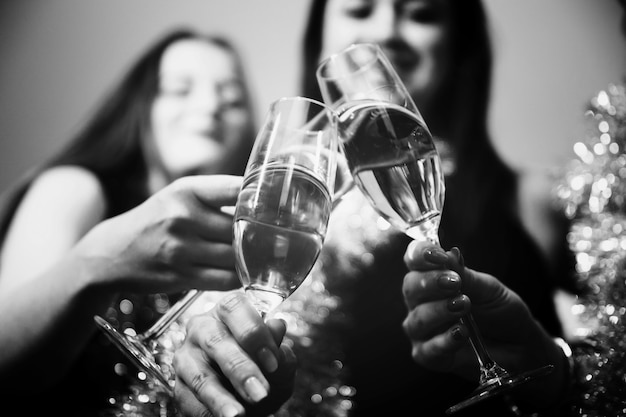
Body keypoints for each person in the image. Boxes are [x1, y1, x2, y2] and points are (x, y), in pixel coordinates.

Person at [174, 0, 578, 416]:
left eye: (422, 14)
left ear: (459, 46)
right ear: (319, 41)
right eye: (359, 10)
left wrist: (553, 373)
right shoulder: (283, 203)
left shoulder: (531, 199)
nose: (386, 31)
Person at [0, 27, 295, 417]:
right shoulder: (78, 187)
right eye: (180, 89)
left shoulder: (237, 245)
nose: (209, 106)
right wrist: (102, 258)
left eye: (232, 97)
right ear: (142, 108)